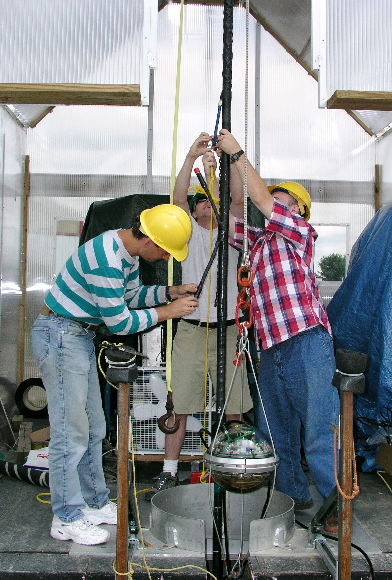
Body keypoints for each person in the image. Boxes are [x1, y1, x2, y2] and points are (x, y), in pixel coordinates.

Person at [31, 204, 199, 546]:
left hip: (76, 336)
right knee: (70, 433)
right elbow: (120, 323)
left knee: (93, 428)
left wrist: (169, 292)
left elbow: (131, 297)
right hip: (61, 335)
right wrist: (168, 312)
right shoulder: (106, 259)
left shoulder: (126, 251)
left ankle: (93, 503)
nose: (166, 259)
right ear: (150, 240)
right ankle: (66, 517)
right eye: (167, 252)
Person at [217, 129, 340, 529]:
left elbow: (260, 200)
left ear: (297, 209)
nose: (273, 200)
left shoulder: (300, 233)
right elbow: (238, 205)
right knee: (275, 432)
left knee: (320, 431)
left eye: (282, 197)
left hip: (306, 340)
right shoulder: (258, 242)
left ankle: (336, 508)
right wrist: (221, 164)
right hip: (269, 348)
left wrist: (239, 154)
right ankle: (295, 501)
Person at [145, 133, 252, 500]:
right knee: (181, 403)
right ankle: (169, 471)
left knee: (235, 406)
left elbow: (236, 201)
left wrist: (222, 160)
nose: (207, 206)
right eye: (200, 202)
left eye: (212, 200)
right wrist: (191, 157)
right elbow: (175, 199)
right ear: (192, 210)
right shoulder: (186, 234)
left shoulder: (233, 231)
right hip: (190, 330)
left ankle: (236, 466)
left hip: (228, 331)